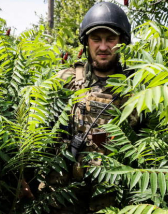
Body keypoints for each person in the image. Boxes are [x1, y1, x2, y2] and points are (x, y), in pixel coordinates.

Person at [58, 2, 133, 181]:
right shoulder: (65, 80)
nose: (103, 47)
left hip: (112, 193)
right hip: (64, 194)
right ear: (86, 42)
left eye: (110, 39)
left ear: (122, 42)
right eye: (96, 39)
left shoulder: (136, 87)